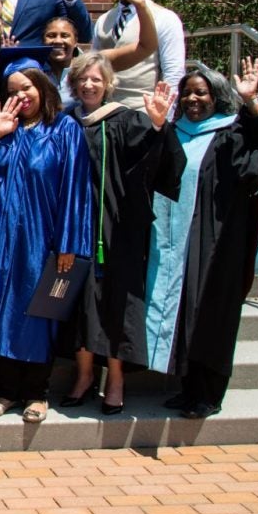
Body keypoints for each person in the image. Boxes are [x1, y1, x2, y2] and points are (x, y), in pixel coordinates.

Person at [147, 59, 258, 419]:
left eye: (202, 92)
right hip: (177, 242)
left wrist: (252, 101)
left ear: (216, 97)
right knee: (183, 313)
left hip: (216, 244)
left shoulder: (231, 132)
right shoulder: (176, 130)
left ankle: (209, 395)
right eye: (188, 93)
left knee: (211, 316)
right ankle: (188, 388)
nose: (193, 99)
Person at [59, 52, 185, 414]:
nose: (89, 84)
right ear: (73, 83)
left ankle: (115, 379)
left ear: (108, 84)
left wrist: (158, 127)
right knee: (79, 302)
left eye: (96, 79)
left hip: (116, 226)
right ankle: (83, 376)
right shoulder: (66, 122)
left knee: (115, 299)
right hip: (74, 225)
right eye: (82, 79)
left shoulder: (126, 120)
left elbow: (154, 166)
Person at [0, 47, 93, 424]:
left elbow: (75, 190)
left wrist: (68, 244)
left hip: (43, 241)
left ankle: (37, 394)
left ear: (43, 86)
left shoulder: (64, 130)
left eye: (27, 87)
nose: (21, 97)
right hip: (2, 242)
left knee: (39, 314)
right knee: (2, 313)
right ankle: (5, 391)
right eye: (12, 91)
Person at [93, 0, 186, 111]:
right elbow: (93, 65)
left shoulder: (164, 18)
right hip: (105, 111)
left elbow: (173, 73)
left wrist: (165, 117)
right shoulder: (103, 20)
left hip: (143, 110)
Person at [44, 16, 79, 104]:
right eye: (51, 36)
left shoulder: (85, 70)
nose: (58, 41)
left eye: (65, 35)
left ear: (75, 41)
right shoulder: (36, 72)